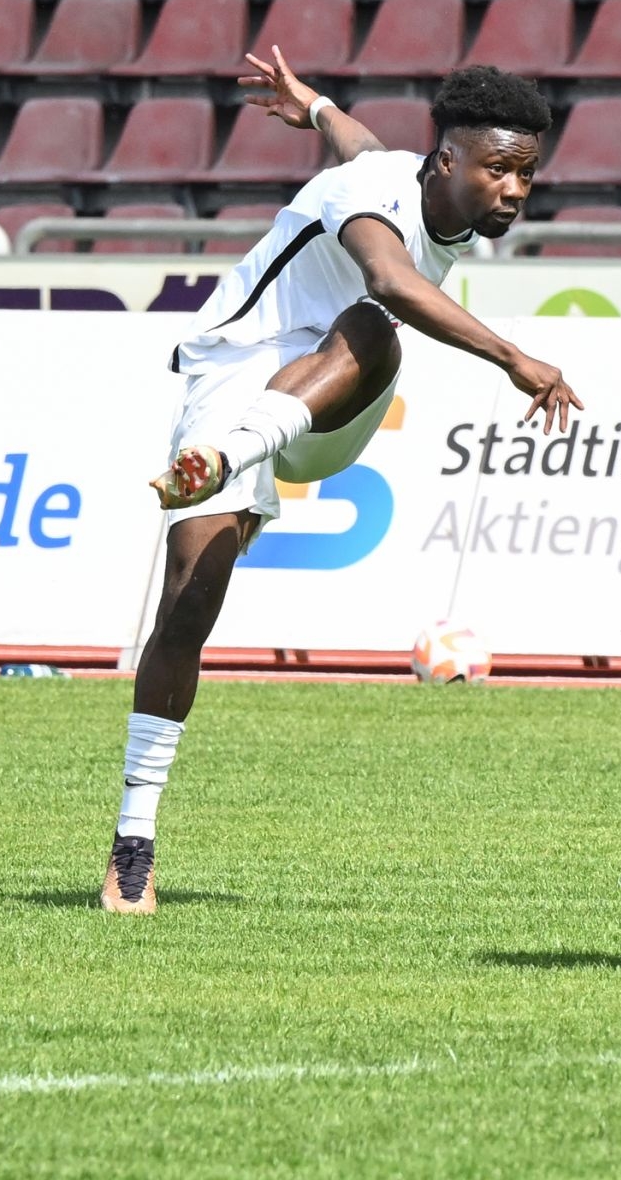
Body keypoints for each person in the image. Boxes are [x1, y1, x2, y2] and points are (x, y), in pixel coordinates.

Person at [101, 50, 583, 914]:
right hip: (234, 371)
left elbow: (359, 142)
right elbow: (391, 272)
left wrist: (316, 104)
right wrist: (514, 357)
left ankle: (233, 458)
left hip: (334, 399)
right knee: (188, 604)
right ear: (448, 160)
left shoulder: (415, 180)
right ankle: (133, 842)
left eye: (527, 173)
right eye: (499, 170)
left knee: (373, 328)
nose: (514, 190)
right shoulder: (364, 195)